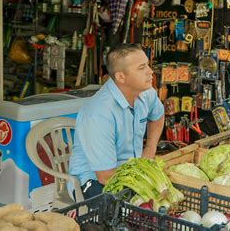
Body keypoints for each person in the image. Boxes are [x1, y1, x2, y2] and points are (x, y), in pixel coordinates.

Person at [68, 43, 165, 200]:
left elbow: (158, 115)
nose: (150, 71)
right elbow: (106, 176)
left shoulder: (146, 93)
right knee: (135, 215)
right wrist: (147, 188)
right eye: (141, 68)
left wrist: (150, 149)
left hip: (132, 172)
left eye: (147, 64)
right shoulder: (99, 114)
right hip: (94, 180)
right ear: (121, 77)